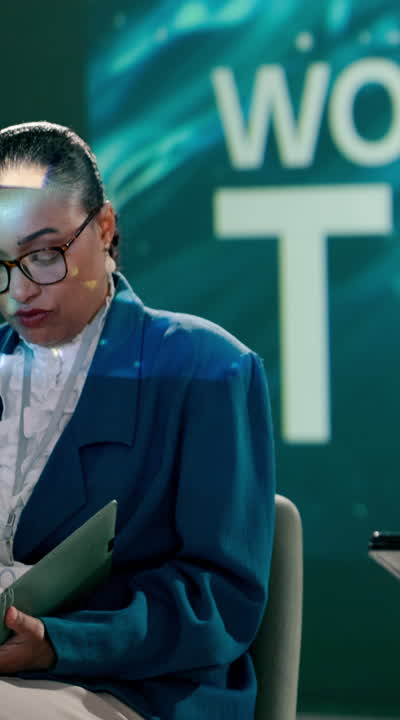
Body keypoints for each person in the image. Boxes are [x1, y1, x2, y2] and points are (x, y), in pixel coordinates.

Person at [0, 122, 275, 719]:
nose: (19, 290)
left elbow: (221, 598)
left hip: (145, 689)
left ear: (104, 227)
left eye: (43, 256)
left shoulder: (205, 367)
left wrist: (59, 643)